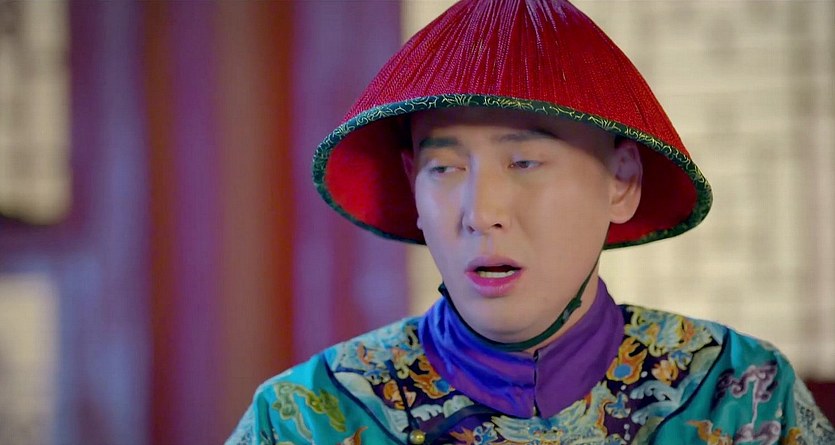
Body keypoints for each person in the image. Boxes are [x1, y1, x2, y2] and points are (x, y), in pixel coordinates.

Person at [227, 0, 835, 443]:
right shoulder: (306, 418)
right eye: (444, 168)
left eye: (524, 161)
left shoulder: (743, 398)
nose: (481, 214)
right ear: (412, 183)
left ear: (622, 180)